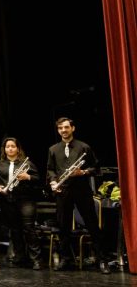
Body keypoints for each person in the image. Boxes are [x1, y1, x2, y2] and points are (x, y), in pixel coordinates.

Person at [46, 117, 111, 274]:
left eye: (66, 127)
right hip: (63, 192)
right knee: (63, 227)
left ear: (73, 128)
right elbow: (50, 170)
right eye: (60, 128)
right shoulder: (53, 149)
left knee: (92, 225)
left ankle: (102, 260)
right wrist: (53, 182)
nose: (64, 130)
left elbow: (96, 169)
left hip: (82, 191)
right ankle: (65, 259)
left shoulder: (84, 147)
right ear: (58, 130)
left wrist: (82, 172)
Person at [0, 137, 43, 269]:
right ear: (4, 149)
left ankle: (36, 260)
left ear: (18, 149)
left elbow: (38, 179)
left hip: (25, 200)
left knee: (29, 229)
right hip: (7, 200)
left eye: (13, 146)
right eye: (8, 146)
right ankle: (20, 257)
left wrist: (28, 177)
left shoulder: (27, 163)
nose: (10, 148)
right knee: (15, 230)